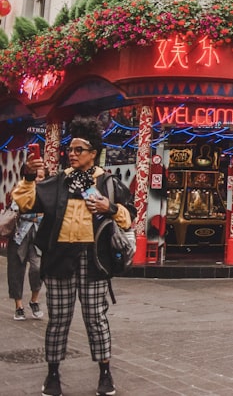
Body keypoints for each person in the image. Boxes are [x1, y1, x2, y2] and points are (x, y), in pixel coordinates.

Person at [14, 116, 136, 396]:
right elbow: (25, 201)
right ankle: (53, 375)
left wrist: (111, 208)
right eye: (70, 149)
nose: (72, 153)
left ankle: (105, 373)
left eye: (78, 149)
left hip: (94, 260)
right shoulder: (58, 181)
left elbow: (129, 218)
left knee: (96, 318)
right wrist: (29, 176)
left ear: (93, 153)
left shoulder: (108, 183)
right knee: (58, 319)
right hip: (59, 259)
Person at [7, 201, 43, 321]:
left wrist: (32, 214)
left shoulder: (45, 191)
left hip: (38, 235)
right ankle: (19, 306)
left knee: (37, 268)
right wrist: (36, 215)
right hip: (19, 235)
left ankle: (34, 301)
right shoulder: (22, 189)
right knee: (16, 269)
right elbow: (15, 209)